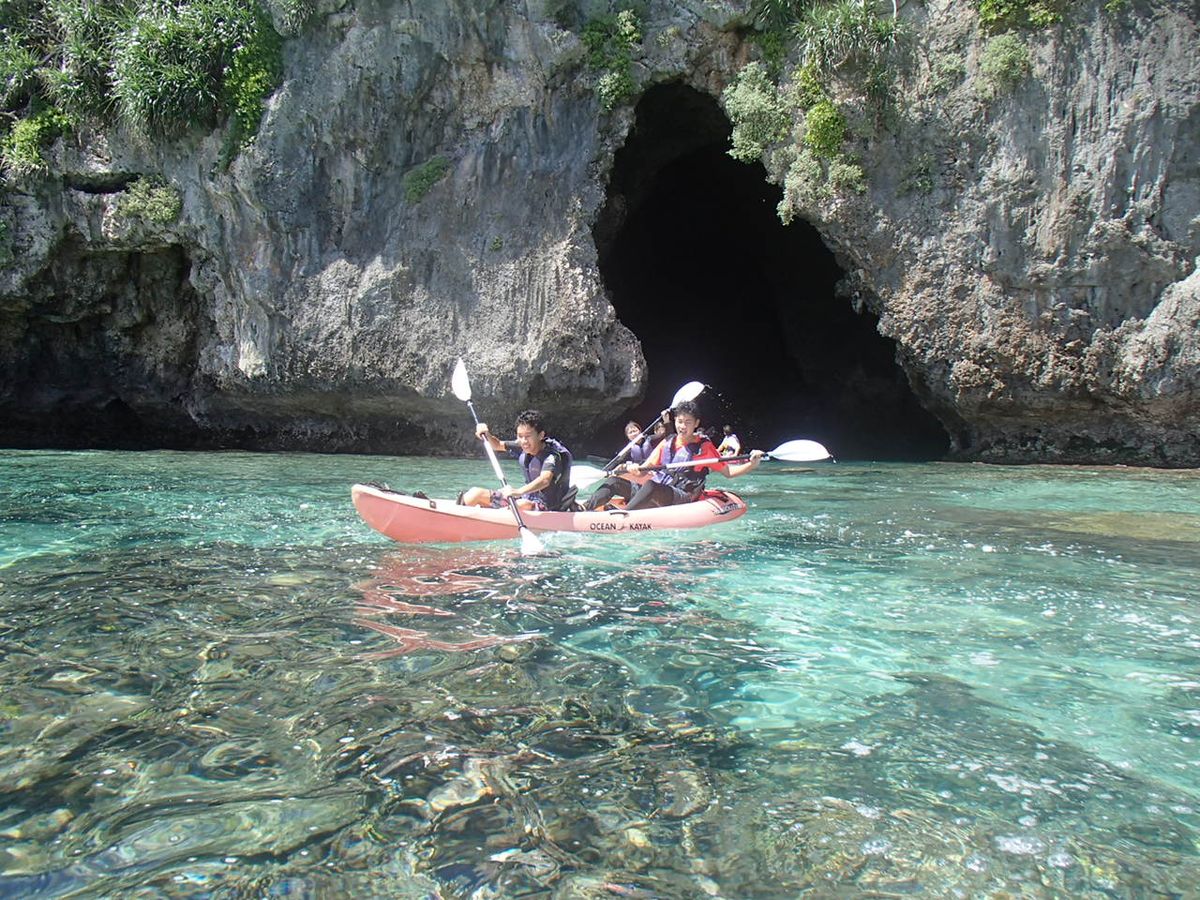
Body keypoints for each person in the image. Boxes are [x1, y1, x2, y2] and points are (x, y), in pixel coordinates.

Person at [618, 401, 763, 510]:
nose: (682, 426)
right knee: (614, 483)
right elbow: (643, 470)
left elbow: (728, 472)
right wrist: (634, 469)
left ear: (696, 424)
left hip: (683, 495)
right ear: (675, 421)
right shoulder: (666, 443)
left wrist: (752, 464)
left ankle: (624, 516)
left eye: (688, 422)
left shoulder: (704, 448)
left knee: (650, 485)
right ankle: (595, 514)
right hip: (662, 489)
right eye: (680, 422)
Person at [459, 409, 574, 511]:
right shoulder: (522, 446)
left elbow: (545, 480)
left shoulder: (552, 456)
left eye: (528, 436)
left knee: (522, 504)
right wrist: (486, 434)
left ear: (540, 435)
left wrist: (518, 491)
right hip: (526, 498)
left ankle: (496, 519)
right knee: (474, 493)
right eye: (520, 436)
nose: (523, 441)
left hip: (547, 507)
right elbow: (497, 445)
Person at [583, 413, 671, 511]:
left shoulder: (651, 440)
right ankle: (585, 507)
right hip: (639, 476)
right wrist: (606, 472)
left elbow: (666, 436)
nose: (633, 433)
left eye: (635, 430)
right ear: (628, 436)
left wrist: (666, 420)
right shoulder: (629, 449)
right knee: (614, 481)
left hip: (652, 476)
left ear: (640, 431)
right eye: (630, 432)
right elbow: (617, 461)